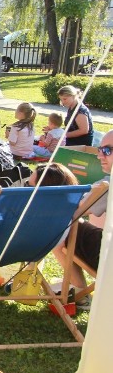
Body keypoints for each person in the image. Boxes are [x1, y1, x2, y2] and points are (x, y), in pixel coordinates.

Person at [52, 129, 112, 310]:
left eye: (108, 150)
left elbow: (74, 209)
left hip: (108, 259)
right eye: (100, 149)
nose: (100, 155)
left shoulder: (107, 186)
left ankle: (80, 292)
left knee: (57, 229)